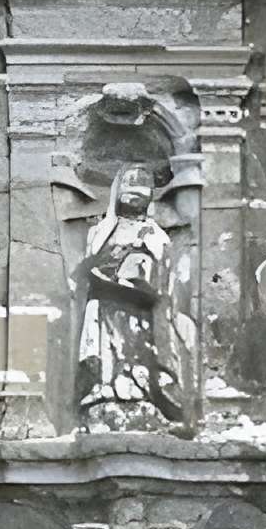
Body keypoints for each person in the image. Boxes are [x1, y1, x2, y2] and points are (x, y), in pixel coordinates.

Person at [76, 166, 184, 429]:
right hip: (104, 302)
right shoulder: (101, 230)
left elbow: (163, 276)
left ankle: (137, 388)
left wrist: (137, 273)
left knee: (134, 346)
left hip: (138, 307)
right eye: (128, 186)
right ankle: (106, 385)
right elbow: (89, 261)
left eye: (142, 187)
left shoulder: (155, 233)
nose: (134, 193)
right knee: (105, 344)